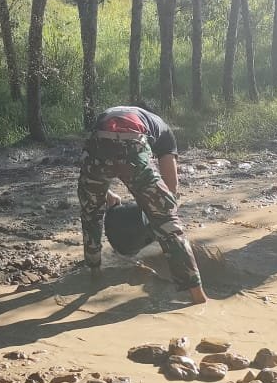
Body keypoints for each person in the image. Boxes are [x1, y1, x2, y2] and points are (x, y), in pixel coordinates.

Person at [78, 105, 208, 305]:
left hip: (98, 145)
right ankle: (198, 296)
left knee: (91, 213)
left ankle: (94, 273)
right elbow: (171, 189)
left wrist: (108, 195)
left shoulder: (110, 114)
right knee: (168, 221)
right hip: (132, 146)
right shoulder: (164, 132)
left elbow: (92, 164)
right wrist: (156, 214)